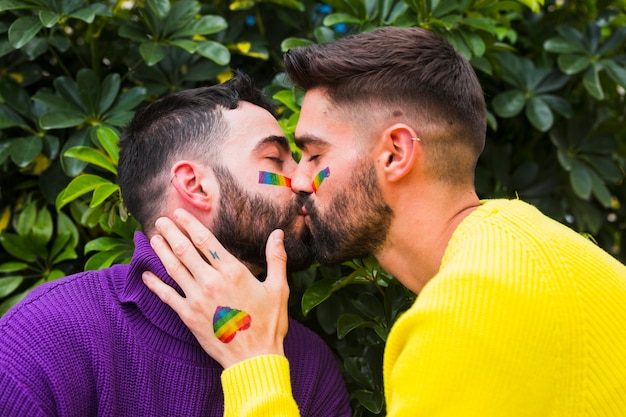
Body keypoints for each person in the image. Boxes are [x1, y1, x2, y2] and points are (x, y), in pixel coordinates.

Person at [143, 27, 626, 416]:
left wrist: (256, 366)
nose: (301, 182)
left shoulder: (465, 316)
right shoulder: (541, 251)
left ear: (395, 153)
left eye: (314, 154)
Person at [0, 75, 351, 417]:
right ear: (195, 185)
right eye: (275, 160)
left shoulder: (309, 366)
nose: (304, 180)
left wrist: (257, 363)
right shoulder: (44, 336)